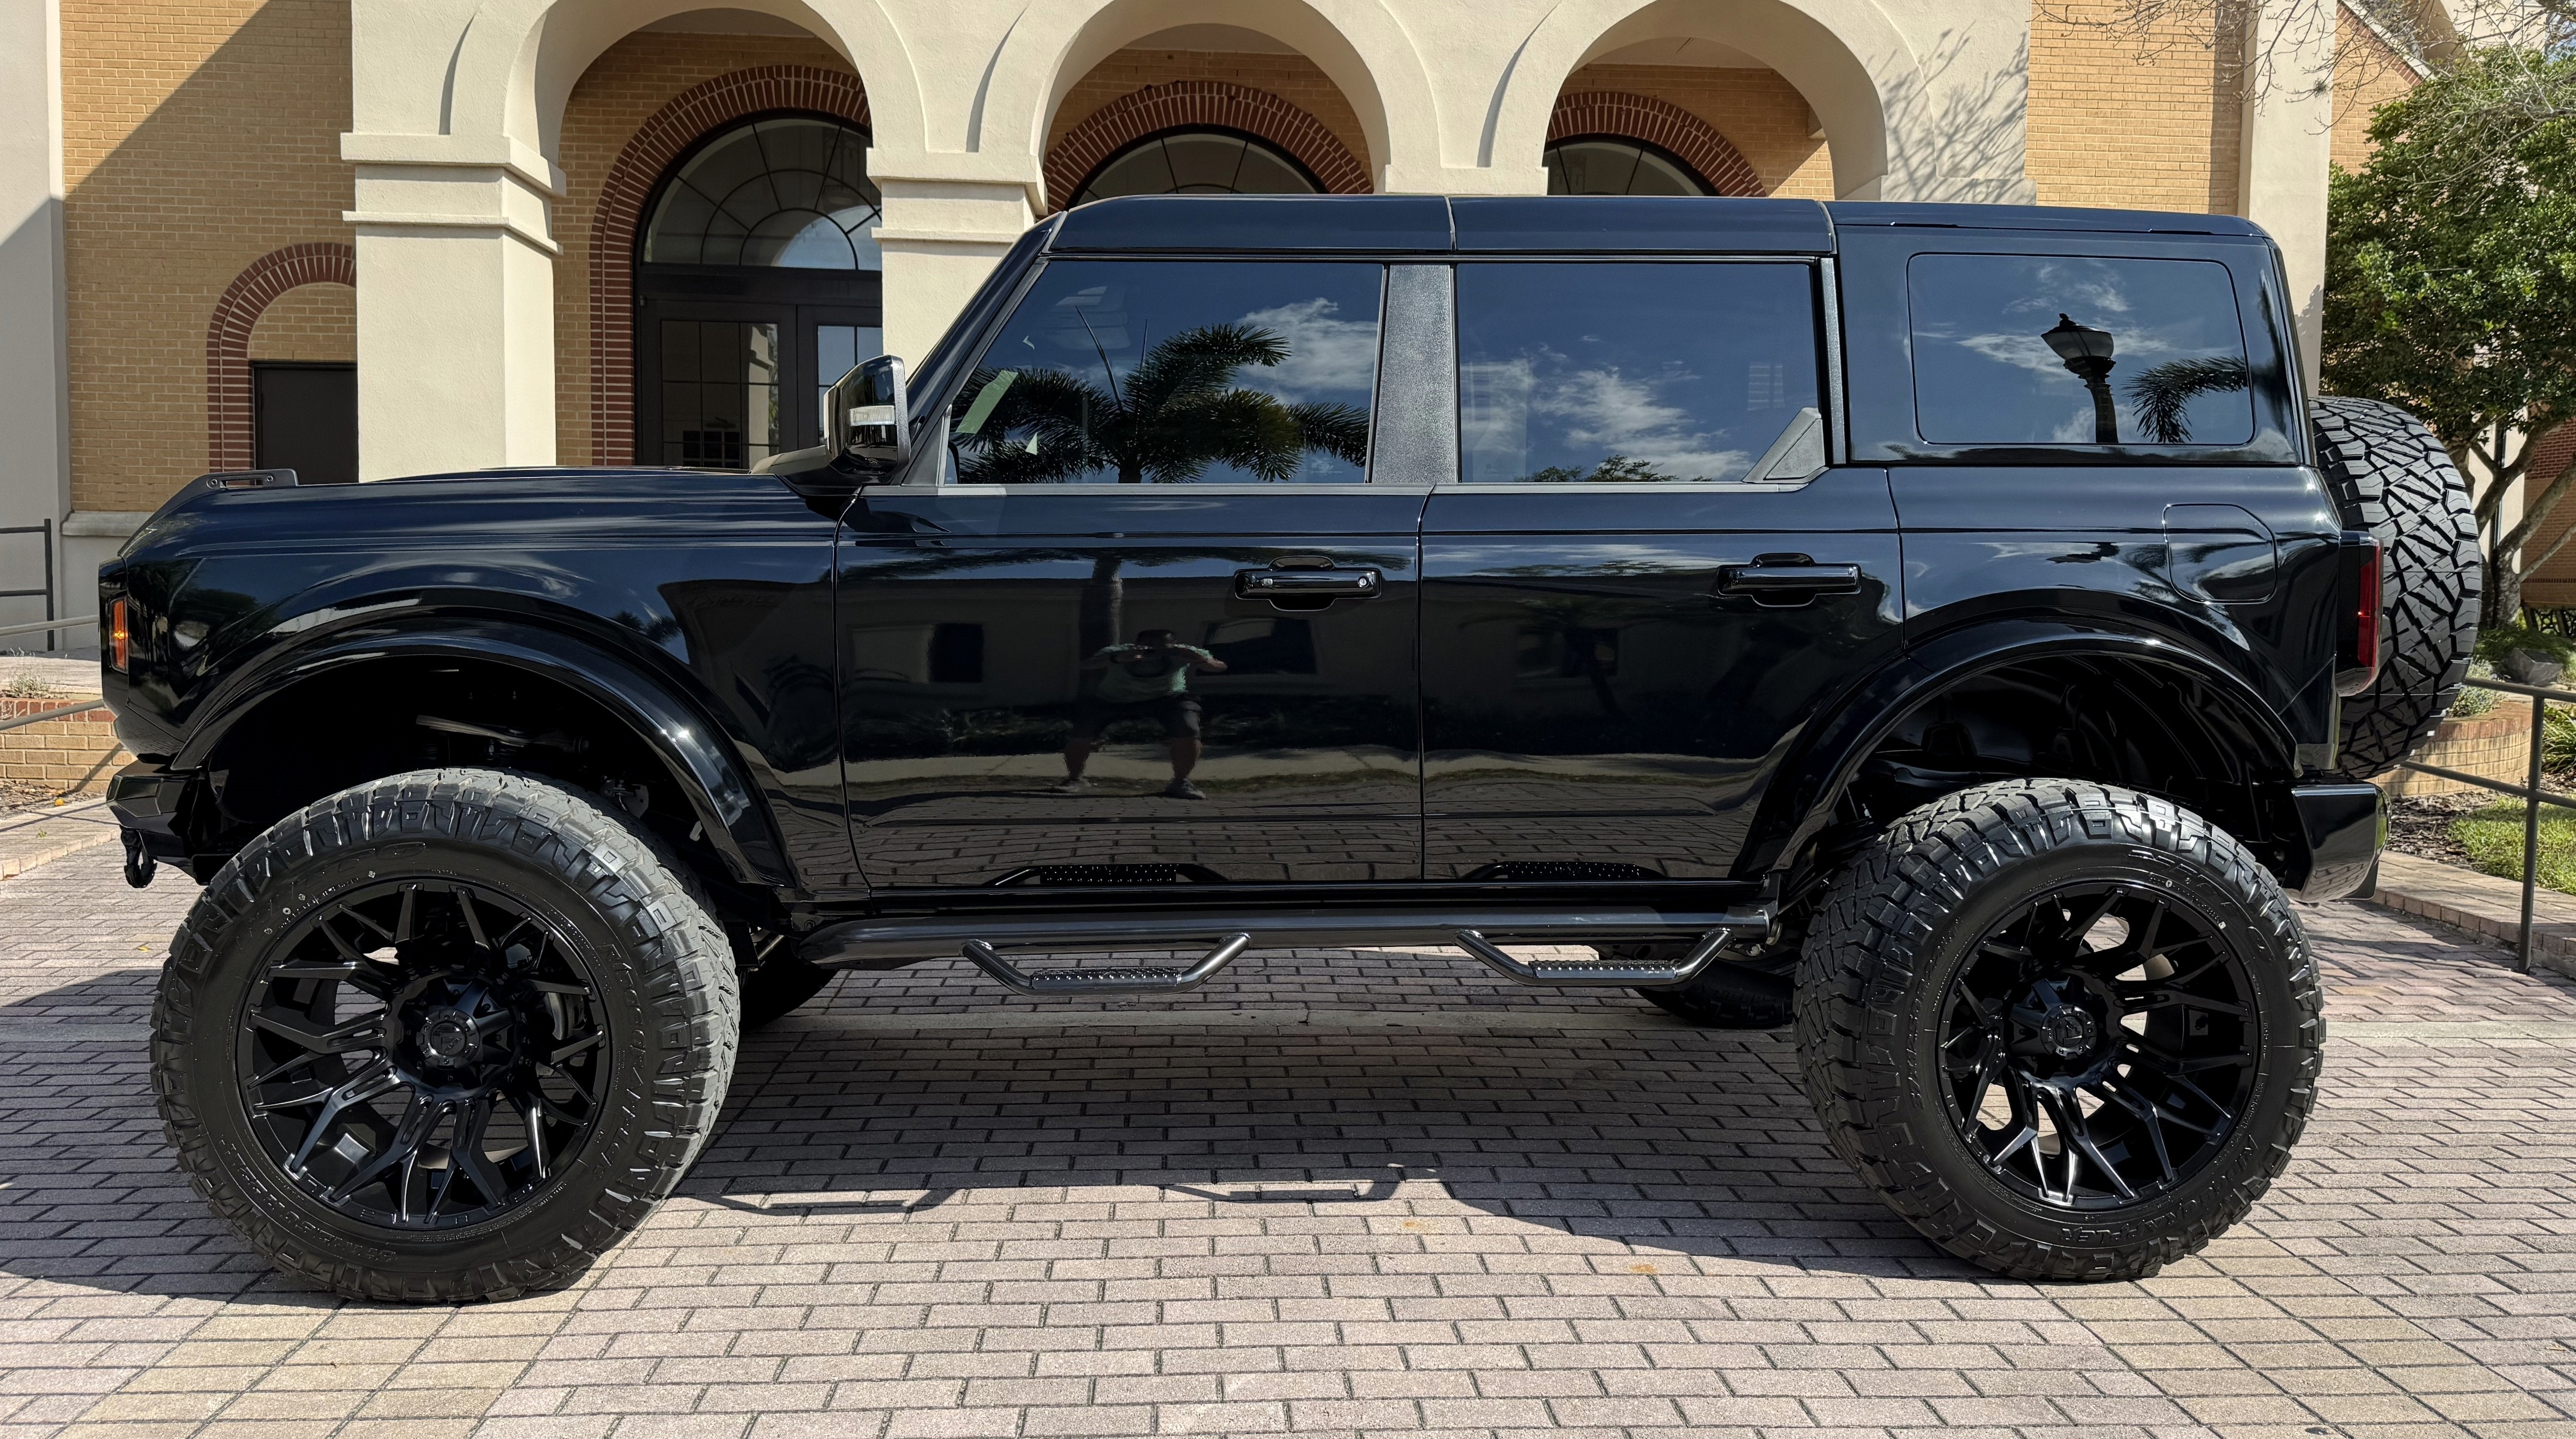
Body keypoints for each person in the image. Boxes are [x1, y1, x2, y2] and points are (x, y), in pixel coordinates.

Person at [1058, 628, 1227, 798]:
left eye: (1162, 648)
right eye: (1148, 648)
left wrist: (1199, 659)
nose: (1154, 653)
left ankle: (1181, 782)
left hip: (1167, 698)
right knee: (1082, 730)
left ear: (1173, 646)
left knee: (1188, 727)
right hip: (1114, 699)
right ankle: (1075, 779)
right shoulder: (1119, 651)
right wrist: (1118, 659)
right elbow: (1087, 665)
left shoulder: (1183, 652)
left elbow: (1219, 667)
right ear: (1137, 645)